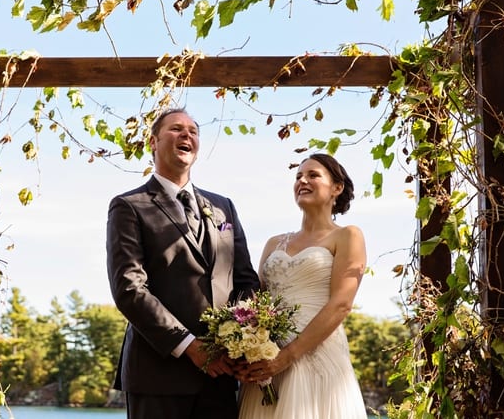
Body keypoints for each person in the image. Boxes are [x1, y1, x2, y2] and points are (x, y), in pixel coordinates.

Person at [106, 107, 261, 418]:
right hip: (157, 374)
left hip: (220, 377)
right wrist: (190, 345)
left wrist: (243, 339)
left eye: (193, 131)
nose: (187, 134)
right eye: (176, 129)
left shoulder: (223, 207)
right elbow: (129, 289)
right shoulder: (129, 206)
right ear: (153, 141)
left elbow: (245, 280)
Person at [236, 153, 368, 418]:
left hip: (315, 355)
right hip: (267, 363)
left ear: (337, 188)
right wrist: (246, 347)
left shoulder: (347, 235)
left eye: (313, 175)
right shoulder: (274, 243)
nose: (302, 181)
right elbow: (255, 304)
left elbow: (341, 304)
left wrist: (286, 357)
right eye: (298, 176)